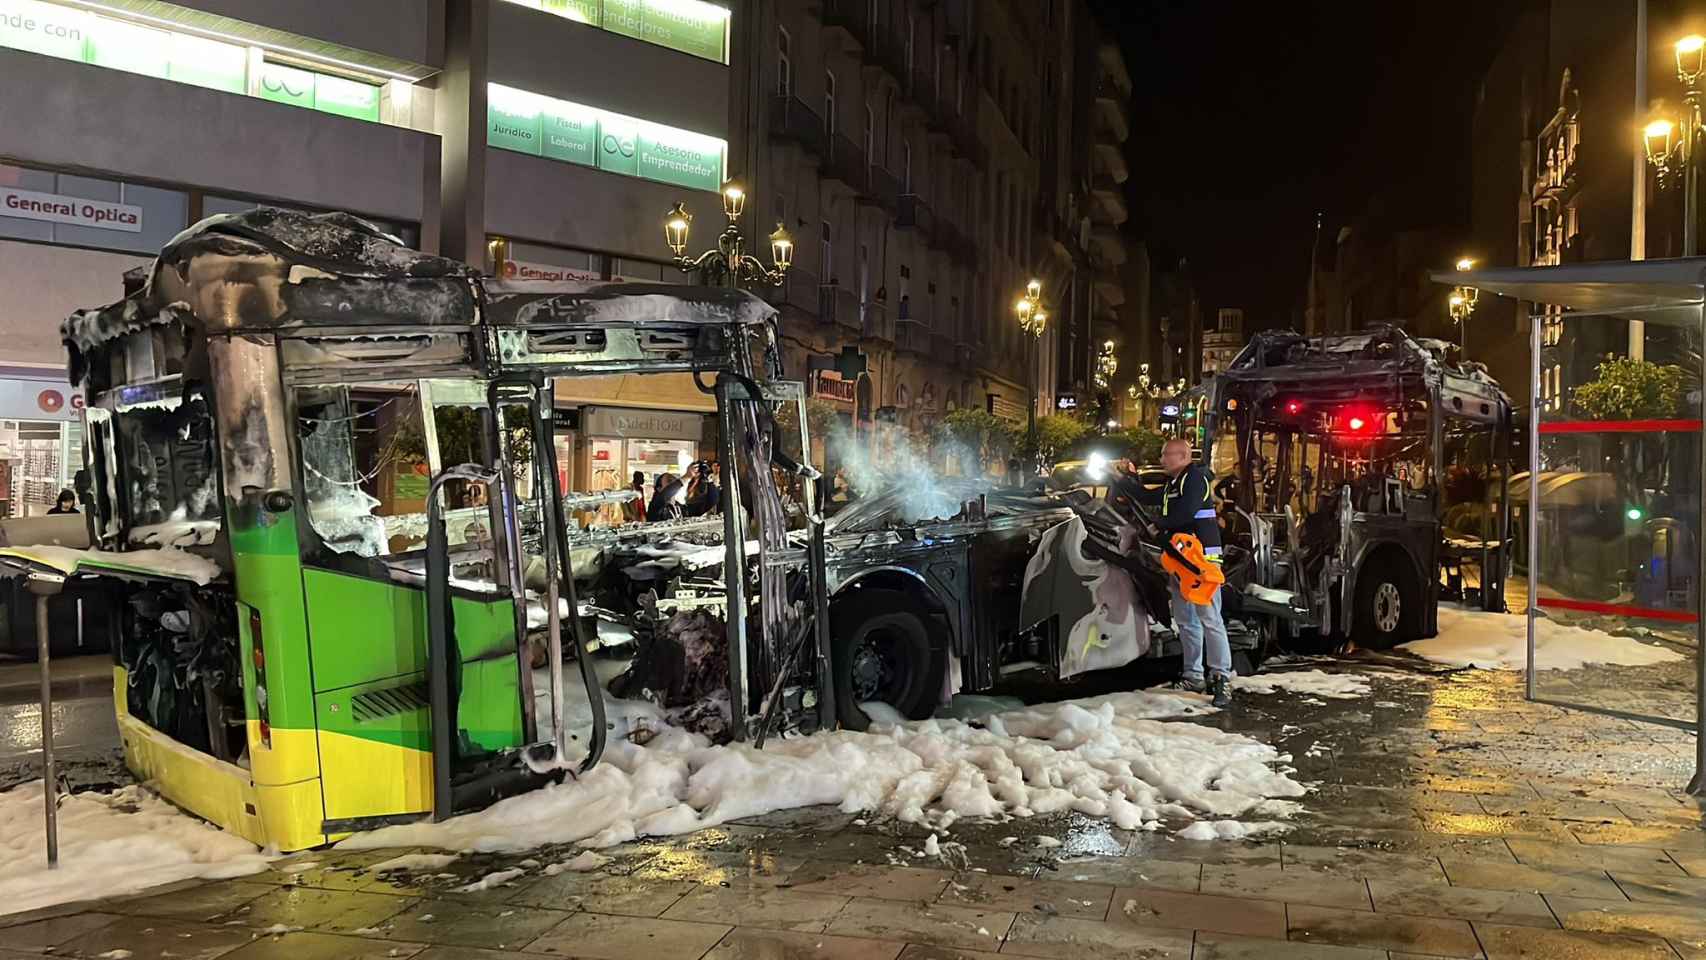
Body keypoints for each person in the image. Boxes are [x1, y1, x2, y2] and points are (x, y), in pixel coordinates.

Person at [1155, 437, 1233, 707]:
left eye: (1166, 454)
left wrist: (1158, 524)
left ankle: (1222, 678)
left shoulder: (1195, 480)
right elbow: (1149, 496)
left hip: (1202, 563)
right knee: (1187, 620)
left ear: (1183, 456)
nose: (1162, 459)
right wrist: (1124, 481)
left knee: (1210, 619)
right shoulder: (1174, 483)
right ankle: (1194, 675)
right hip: (1181, 561)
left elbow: (1184, 515)